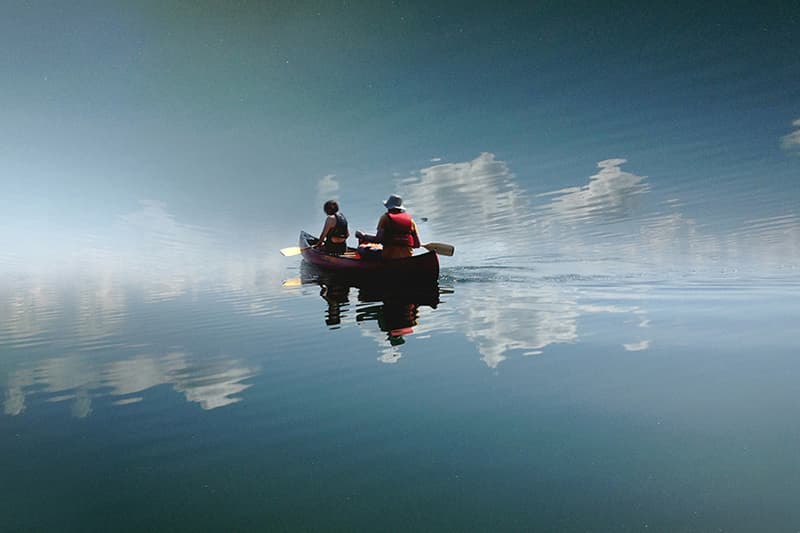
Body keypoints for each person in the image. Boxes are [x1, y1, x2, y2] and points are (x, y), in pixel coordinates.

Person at [355, 194, 421, 259]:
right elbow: (417, 245)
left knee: (361, 248)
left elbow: (378, 240)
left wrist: (363, 236)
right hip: (408, 256)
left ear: (388, 207)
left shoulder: (385, 218)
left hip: (389, 256)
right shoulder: (411, 221)